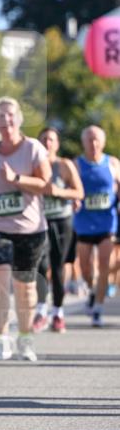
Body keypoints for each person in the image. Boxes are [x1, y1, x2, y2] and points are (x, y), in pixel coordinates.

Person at [0, 97, 50, 362]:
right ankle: (0, 339)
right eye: (0, 116)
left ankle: (26, 338)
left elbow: (46, 184)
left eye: (10, 115)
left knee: (25, 287)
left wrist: (17, 179)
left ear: (18, 119)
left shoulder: (33, 148)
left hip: (30, 228)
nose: (5, 120)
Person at [34, 128, 84, 333]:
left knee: (57, 267)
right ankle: (41, 310)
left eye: (51, 139)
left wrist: (58, 191)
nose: (47, 143)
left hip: (62, 221)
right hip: (39, 221)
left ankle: (58, 312)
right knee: (40, 265)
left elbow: (79, 192)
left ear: (57, 143)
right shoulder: (32, 165)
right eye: (43, 139)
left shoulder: (64, 165)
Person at [74, 125, 120, 328]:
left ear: (103, 142)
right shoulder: (76, 164)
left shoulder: (112, 163)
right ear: (83, 142)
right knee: (85, 267)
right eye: (89, 139)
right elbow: (69, 188)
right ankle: (92, 291)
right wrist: (72, 200)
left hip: (107, 223)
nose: (93, 143)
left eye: (96, 139)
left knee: (104, 265)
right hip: (83, 223)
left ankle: (98, 309)